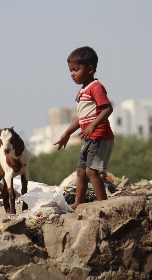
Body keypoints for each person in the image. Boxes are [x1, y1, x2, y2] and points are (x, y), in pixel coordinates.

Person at [54, 46, 114, 210]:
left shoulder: (95, 87)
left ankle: (104, 205)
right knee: (80, 171)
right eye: (71, 70)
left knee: (91, 171)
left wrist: (93, 125)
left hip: (100, 136)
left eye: (76, 69)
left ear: (90, 69)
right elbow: (81, 117)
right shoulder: (82, 91)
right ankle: (78, 203)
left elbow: (108, 108)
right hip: (90, 137)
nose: (72, 74)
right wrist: (67, 133)